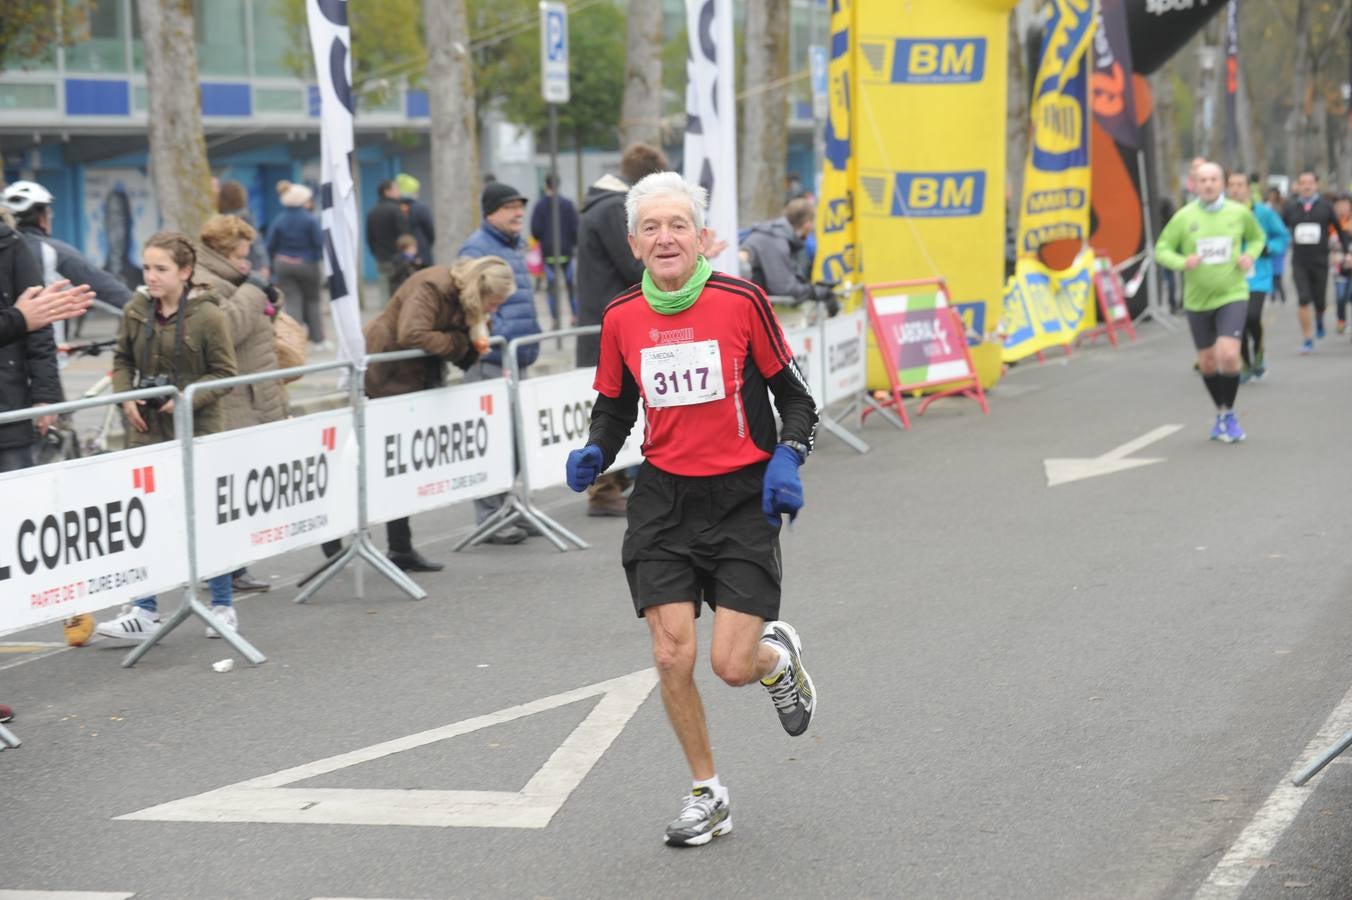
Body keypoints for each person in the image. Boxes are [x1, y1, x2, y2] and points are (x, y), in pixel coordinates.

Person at [564, 171, 819, 847]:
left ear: (702, 236)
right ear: (634, 242)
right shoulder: (621, 316)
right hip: (663, 500)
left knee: (730, 667)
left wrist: (787, 458)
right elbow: (616, 406)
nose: (665, 237)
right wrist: (596, 450)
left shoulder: (742, 301)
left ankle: (776, 659)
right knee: (671, 653)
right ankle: (708, 792)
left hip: (741, 497)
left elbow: (797, 399)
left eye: (678, 224)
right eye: (651, 227)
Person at [96, 232, 239, 641]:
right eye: (147, 268)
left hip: (198, 429)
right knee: (145, 518)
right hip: (147, 433)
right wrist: (126, 397)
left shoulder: (209, 316)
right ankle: (143, 610)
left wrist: (187, 400)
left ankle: (223, 605)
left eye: (162, 269)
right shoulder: (136, 309)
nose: (152, 277)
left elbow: (226, 373)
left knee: (206, 518)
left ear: (186, 272)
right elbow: (121, 359)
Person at [360, 257, 515, 571]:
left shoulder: (464, 300)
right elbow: (412, 334)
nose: (493, 310)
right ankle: (344, 537)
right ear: (480, 292)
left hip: (413, 379)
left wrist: (475, 337)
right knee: (381, 464)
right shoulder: (432, 286)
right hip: (389, 375)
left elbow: (450, 339)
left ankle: (400, 547)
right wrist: (461, 342)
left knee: (400, 468)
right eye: (493, 304)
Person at [574, 143, 672, 518]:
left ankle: (611, 483)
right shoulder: (615, 208)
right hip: (613, 322)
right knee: (613, 404)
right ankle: (604, 488)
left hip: (602, 319)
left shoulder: (601, 205)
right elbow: (637, 265)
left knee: (614, 404)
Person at [198, 214, 288, 596]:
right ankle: (225, 572)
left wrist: (267, 294)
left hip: (254, 395)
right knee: (228, 492)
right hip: (234, 403)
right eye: (240, 255)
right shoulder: (205, 283)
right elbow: (226, 330)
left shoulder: (232, 281)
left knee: (242, 491)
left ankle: (235, 567)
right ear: (222, 252)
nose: (246, 262)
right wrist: (254, 292)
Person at [457, 182, 542, 545]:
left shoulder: (514, 246)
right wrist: (498, 335)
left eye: (520, 206)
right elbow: (471, 305)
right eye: (509, 207)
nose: (518, 213)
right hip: (491, 358)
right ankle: (490, 517)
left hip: (516, 356)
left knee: (516, 441)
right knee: (493, 441)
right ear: (490, 212)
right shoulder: (477, 248)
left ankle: (507, 508)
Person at [1155, 162, 1264, 443]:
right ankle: (1221, 411)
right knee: (1207, 361)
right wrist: (1182, 261)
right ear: (1195, 184)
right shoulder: (1184, 217)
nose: (1208, 185)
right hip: (1197, 300)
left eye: (1214, 179)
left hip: (1232, 294)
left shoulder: (1239, 214)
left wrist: (1249, 255)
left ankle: (1230, 415)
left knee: (1228, 354)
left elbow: (1257, 238)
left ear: (1223, 183)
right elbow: (1162, 249)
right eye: (1203, 180)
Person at [3, 180, 134, 322]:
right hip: (46, 341)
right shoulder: (52, 251)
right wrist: (147, 311)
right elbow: (105, 288)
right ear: (42, 218)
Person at [0, 214, 59, 472]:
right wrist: (20, 318)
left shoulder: (11, 244)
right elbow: (28, 319)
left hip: (9, 410)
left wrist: (45, 396)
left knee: (18, 505)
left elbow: (41, 327)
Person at [1225, 172, 1288, 382]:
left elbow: (1282, 236)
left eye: (1239, 185)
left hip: (1258, 274)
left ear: (1248, 188)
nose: (1235, 189)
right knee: (1237, 321)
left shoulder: (1263, 213)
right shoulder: (1221, 214)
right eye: (1231, 185)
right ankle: (1244, 363)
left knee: (1252, 317)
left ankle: (1259, 351)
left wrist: (1268, 248)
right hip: (1232, 276)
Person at [740, 197, 836, 310]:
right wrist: (815, 292)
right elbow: (784, 288)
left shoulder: (774, 235)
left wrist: (813, 288)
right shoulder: (776, 241)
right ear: (808, 224)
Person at [1282, 171, 1338, 352]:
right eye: (1302, 183)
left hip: (1320, 260)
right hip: (1299, 261)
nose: (1306, 186)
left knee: (1319, 301)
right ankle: (1307, 338)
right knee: (1303, 299)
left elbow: (1339, 229)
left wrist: (1346, 249)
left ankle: (1320, 318)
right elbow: (1280, 230)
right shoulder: (1290, 207)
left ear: (1316, 185)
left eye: (1310, 183)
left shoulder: (1325, 206)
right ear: (1297, 186)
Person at [268, 182, 327, 349]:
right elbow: (319, 243)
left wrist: (273, 265)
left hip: (283, 264)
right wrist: (315, 259)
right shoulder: (310, 220)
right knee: (313, 301)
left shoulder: (279, 220)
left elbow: (271, 245)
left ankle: (294, 340)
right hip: (307, 264)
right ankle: (318, 340)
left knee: (292, 302)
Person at [530, 173, 580, 325]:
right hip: (566, 252)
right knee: (570, 286)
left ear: (545, 185)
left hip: (548, 253)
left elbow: (535, 230)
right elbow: (576, 229)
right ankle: (575, 316)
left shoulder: (539, 205)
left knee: (552, 288)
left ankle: (554, 318)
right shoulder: (568, 204)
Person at [216, 180, 269, 282]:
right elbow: (256, 242)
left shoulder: (220, 220)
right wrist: (264, 264)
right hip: (250, 264)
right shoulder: (246, 216)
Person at [365, 179, 408, 300]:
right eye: (396, 189)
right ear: (387, 192)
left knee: (384, 293)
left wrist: (376, 252)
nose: (399, 192)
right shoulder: (397, 210)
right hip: (398, 259)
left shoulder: (372, 212)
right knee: (399, 294)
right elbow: (404, 235)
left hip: (381, 258)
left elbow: (369, 237)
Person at [395, 173, 435, 267]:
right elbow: (430, 231)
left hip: (400, 253)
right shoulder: (421, 208)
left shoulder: (395, 208)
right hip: (421, 252)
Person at [1264, 186, 1288, 304]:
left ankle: (1281, 293)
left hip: (1279, 242)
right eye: (1270, 194)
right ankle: (1273, 293)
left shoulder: (1281, 208)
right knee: (1270, 270)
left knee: (1278, 271)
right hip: (1268, 241)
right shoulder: (1264, 207)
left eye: (1274, 194)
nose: (1272, 196)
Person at [1332, 195, 1352, 334]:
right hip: (1339, 267)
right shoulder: (1332, 224)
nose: (1342, 208)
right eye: (1339, 205)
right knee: (1340, 296)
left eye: (1345, 205)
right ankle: (1341, 320)